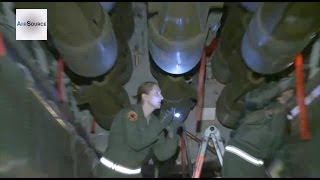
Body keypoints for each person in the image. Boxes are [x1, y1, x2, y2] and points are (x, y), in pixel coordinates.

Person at [93, 81, 183, 178]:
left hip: (132, 174)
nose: (161, 97)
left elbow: (161, 154)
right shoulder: (130, 114)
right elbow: (136, 143)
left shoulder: (155, 122)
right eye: (157, 93)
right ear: (145, 96)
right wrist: (161, 125)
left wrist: (172, 133)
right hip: (111, 172)